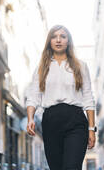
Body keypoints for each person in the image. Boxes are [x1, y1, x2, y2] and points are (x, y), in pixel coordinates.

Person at [26, 25, 96, 170]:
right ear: (49, 41)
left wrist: (91, 129)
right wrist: (30, 118)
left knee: (72, 166)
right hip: (51, 121)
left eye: (63, 36)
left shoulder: (81, 66)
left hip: (76, 121)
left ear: (68, 41)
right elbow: (33, 96)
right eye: (54, 36)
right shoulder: (41, 68)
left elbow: (88, 98)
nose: (58, 40)